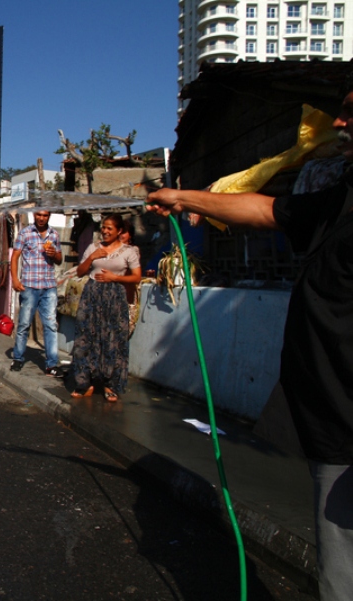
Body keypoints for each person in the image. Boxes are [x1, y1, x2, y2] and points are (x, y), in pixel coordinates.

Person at [146, 87, 353, 600]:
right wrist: (184, 197)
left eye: (352, 111)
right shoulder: (343, 194)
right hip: (335, 419)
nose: (341, 124)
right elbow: (267, 210)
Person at [70, 214, 141, 402]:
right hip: (92, 295)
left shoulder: (129, 251)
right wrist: (92, 257)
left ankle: (111, 384)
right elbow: (80, 271)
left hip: (115, 297)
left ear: (119, 231)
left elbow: (136, 277)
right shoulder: (93, 247)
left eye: (110, 228)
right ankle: (85, 382)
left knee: (113, 339)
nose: (105, 231)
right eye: (104, 227)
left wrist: (115, 278)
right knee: (86, 337)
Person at [9, 210, 65, 376]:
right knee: (24, 324)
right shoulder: (25, 233)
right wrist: (15, 280)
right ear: (34, 215)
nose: (41, 218)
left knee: (50, 325)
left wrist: (54, 254)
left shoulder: (54, 234)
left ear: (49, 216)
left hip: (49, 286)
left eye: (45, 215)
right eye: (39, 215)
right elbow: (15, 257)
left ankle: (51, 364)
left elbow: (59, 258)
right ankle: (18, 358)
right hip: (30, 286)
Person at [119, 221, 142, 336]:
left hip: (126, 291)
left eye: (124, 232)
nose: (121, 235)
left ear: (130, 235)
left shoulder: (133, 250)